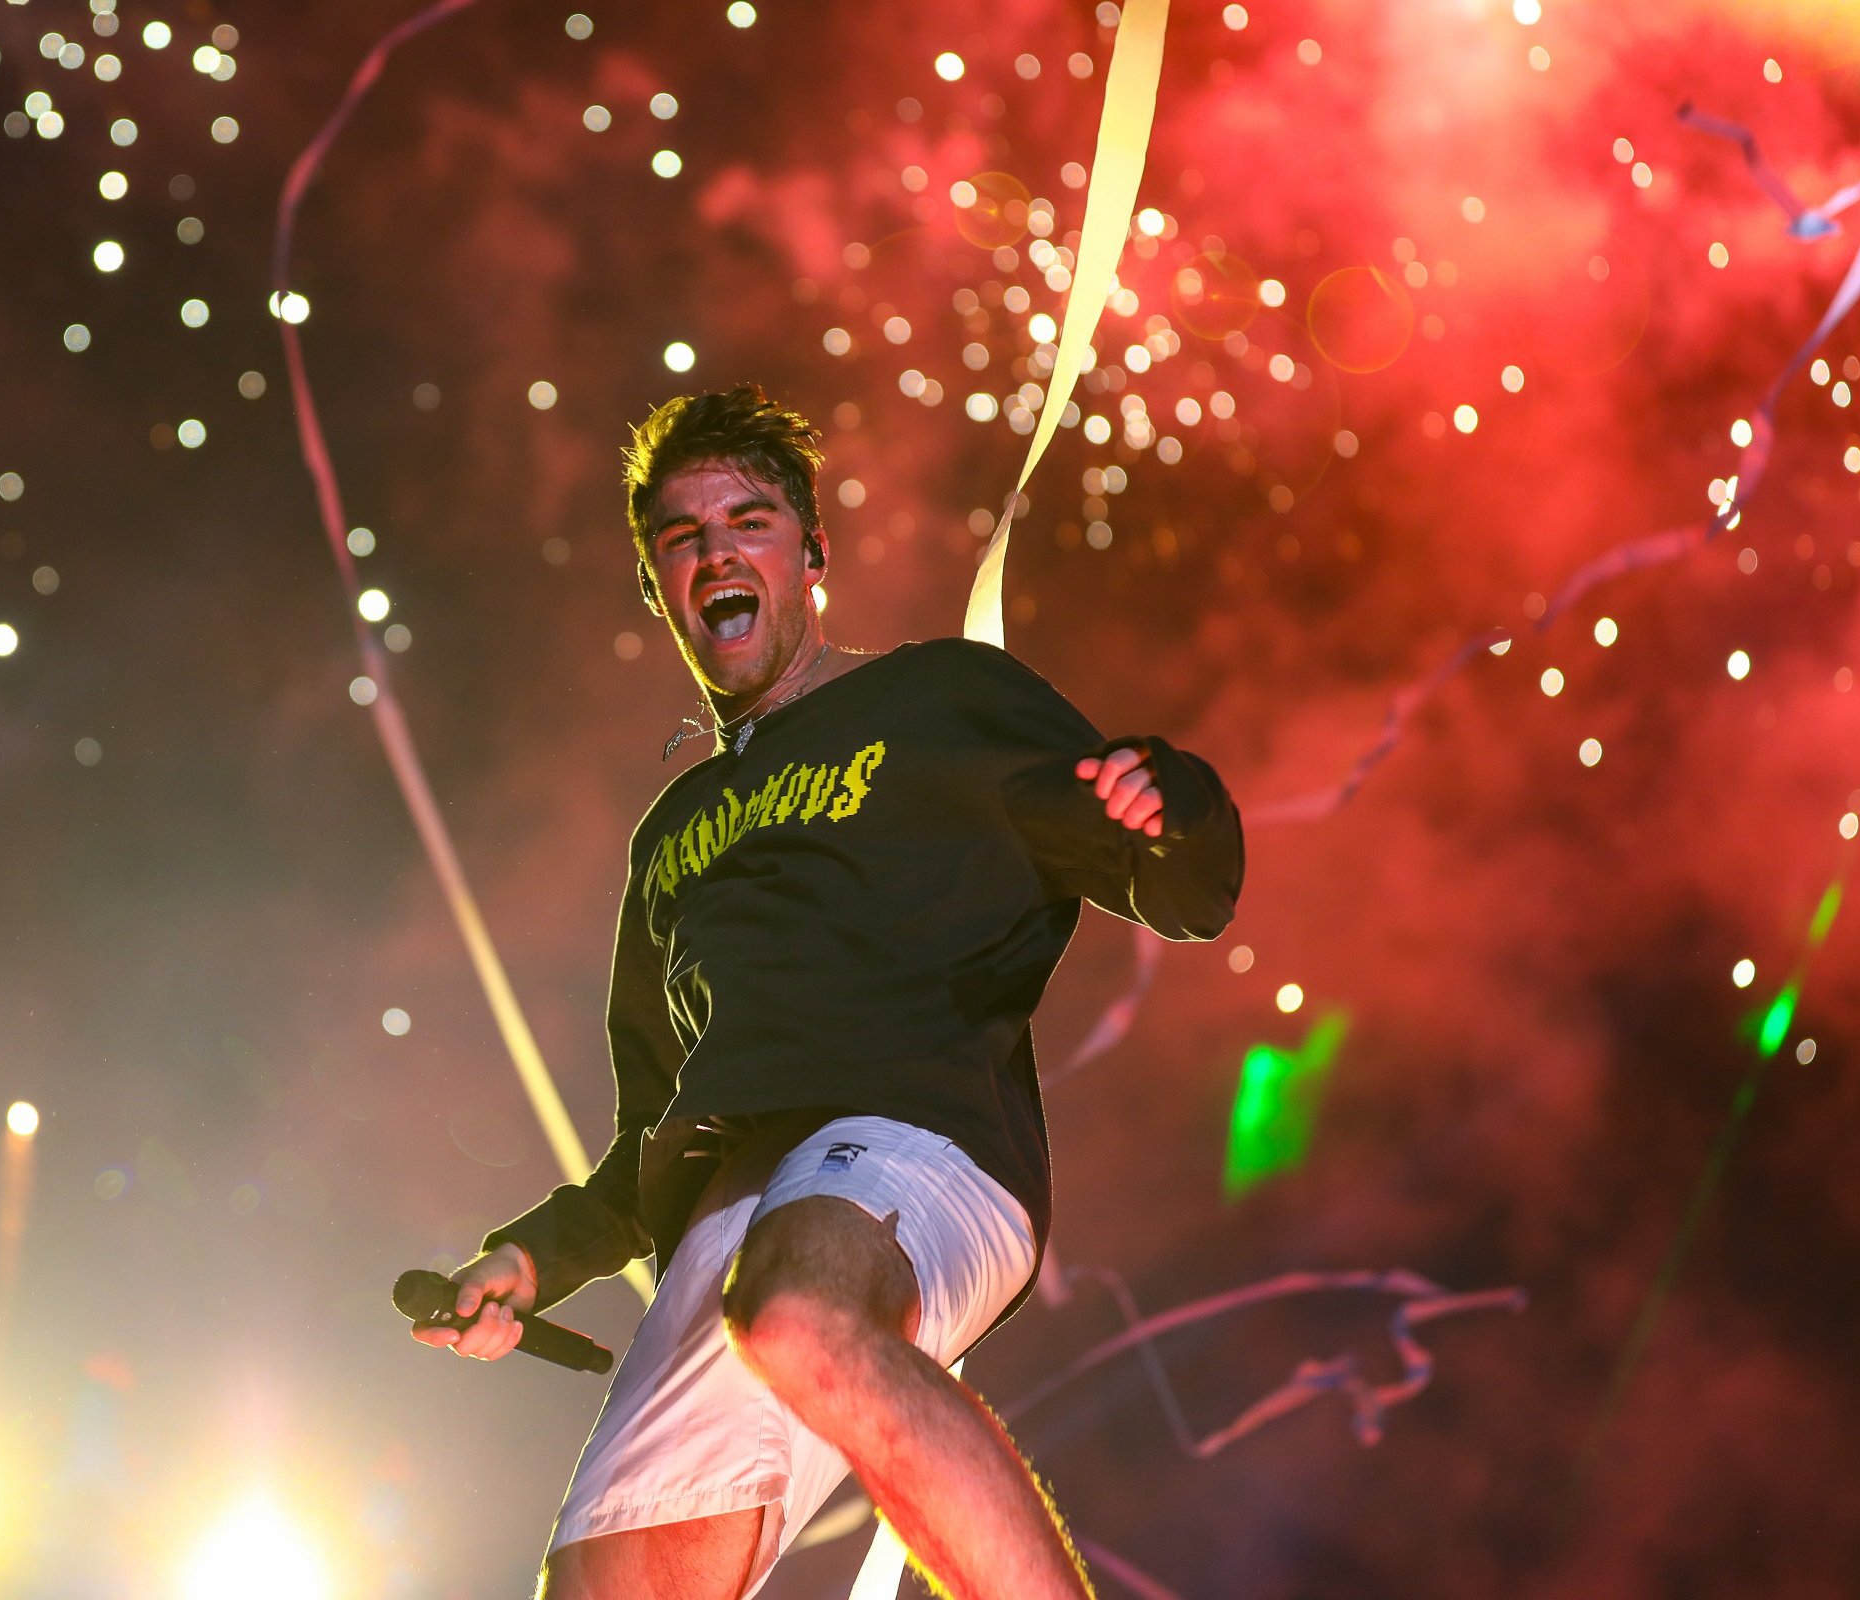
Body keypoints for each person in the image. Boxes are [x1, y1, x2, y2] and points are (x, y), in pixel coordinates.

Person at [412, 383, 1244, 1600]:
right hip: (728, 1206)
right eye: (683, 538)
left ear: (812, 557)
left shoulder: (936, 700)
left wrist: (1167, 800)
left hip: (914, 1130)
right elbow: (649, 1133)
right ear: (658, 590)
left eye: (749, 521)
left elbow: (1183, 884)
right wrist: (532, 1260)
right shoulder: (670, 839)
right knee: (599, 1586)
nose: (718, 554)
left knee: (802, 1311)